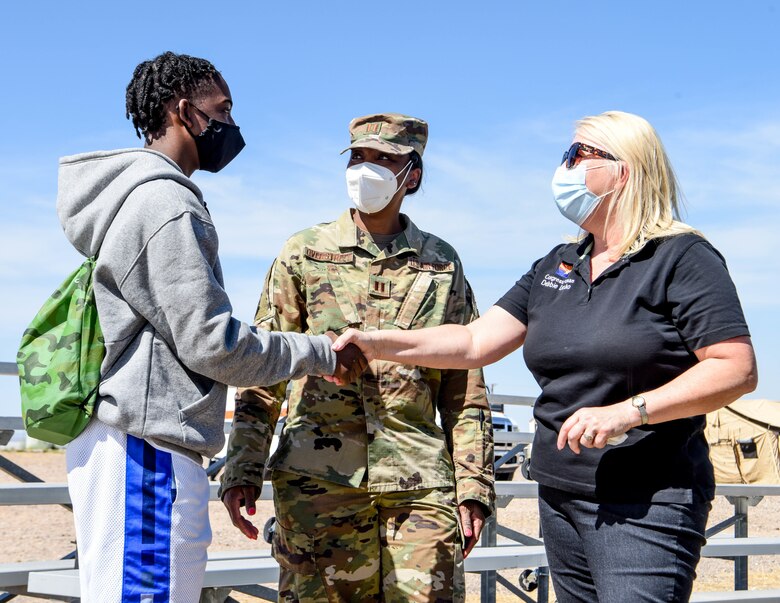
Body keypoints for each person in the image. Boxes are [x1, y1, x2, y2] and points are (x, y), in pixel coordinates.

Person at [333, 111, 758, 602]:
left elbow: (735, 368)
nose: (565, 167)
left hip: (646, 500)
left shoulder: (681, 257)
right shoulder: (559, 262)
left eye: (578, 155)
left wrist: (629, 411)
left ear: (625, 170)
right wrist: (377, 341)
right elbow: (474, 342)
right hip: (560, 493)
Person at [57, 51, 365, 603]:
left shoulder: (141, 198)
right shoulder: (167, 204)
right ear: (184, 112)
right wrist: (320, 353)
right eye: (221, 109)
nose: (230, 124)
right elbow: (212, 344)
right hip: (145, 450)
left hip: (133, 445)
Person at [221, 113, 495, 602]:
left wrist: (473, 487)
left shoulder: (442, 263)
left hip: (419, 487)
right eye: (358, 156)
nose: (365, 169)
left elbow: (465, 389)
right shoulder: (304, 253)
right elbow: (264, 370)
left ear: (411, 174)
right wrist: (243, 467)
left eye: (383, 159)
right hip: (317, 485)